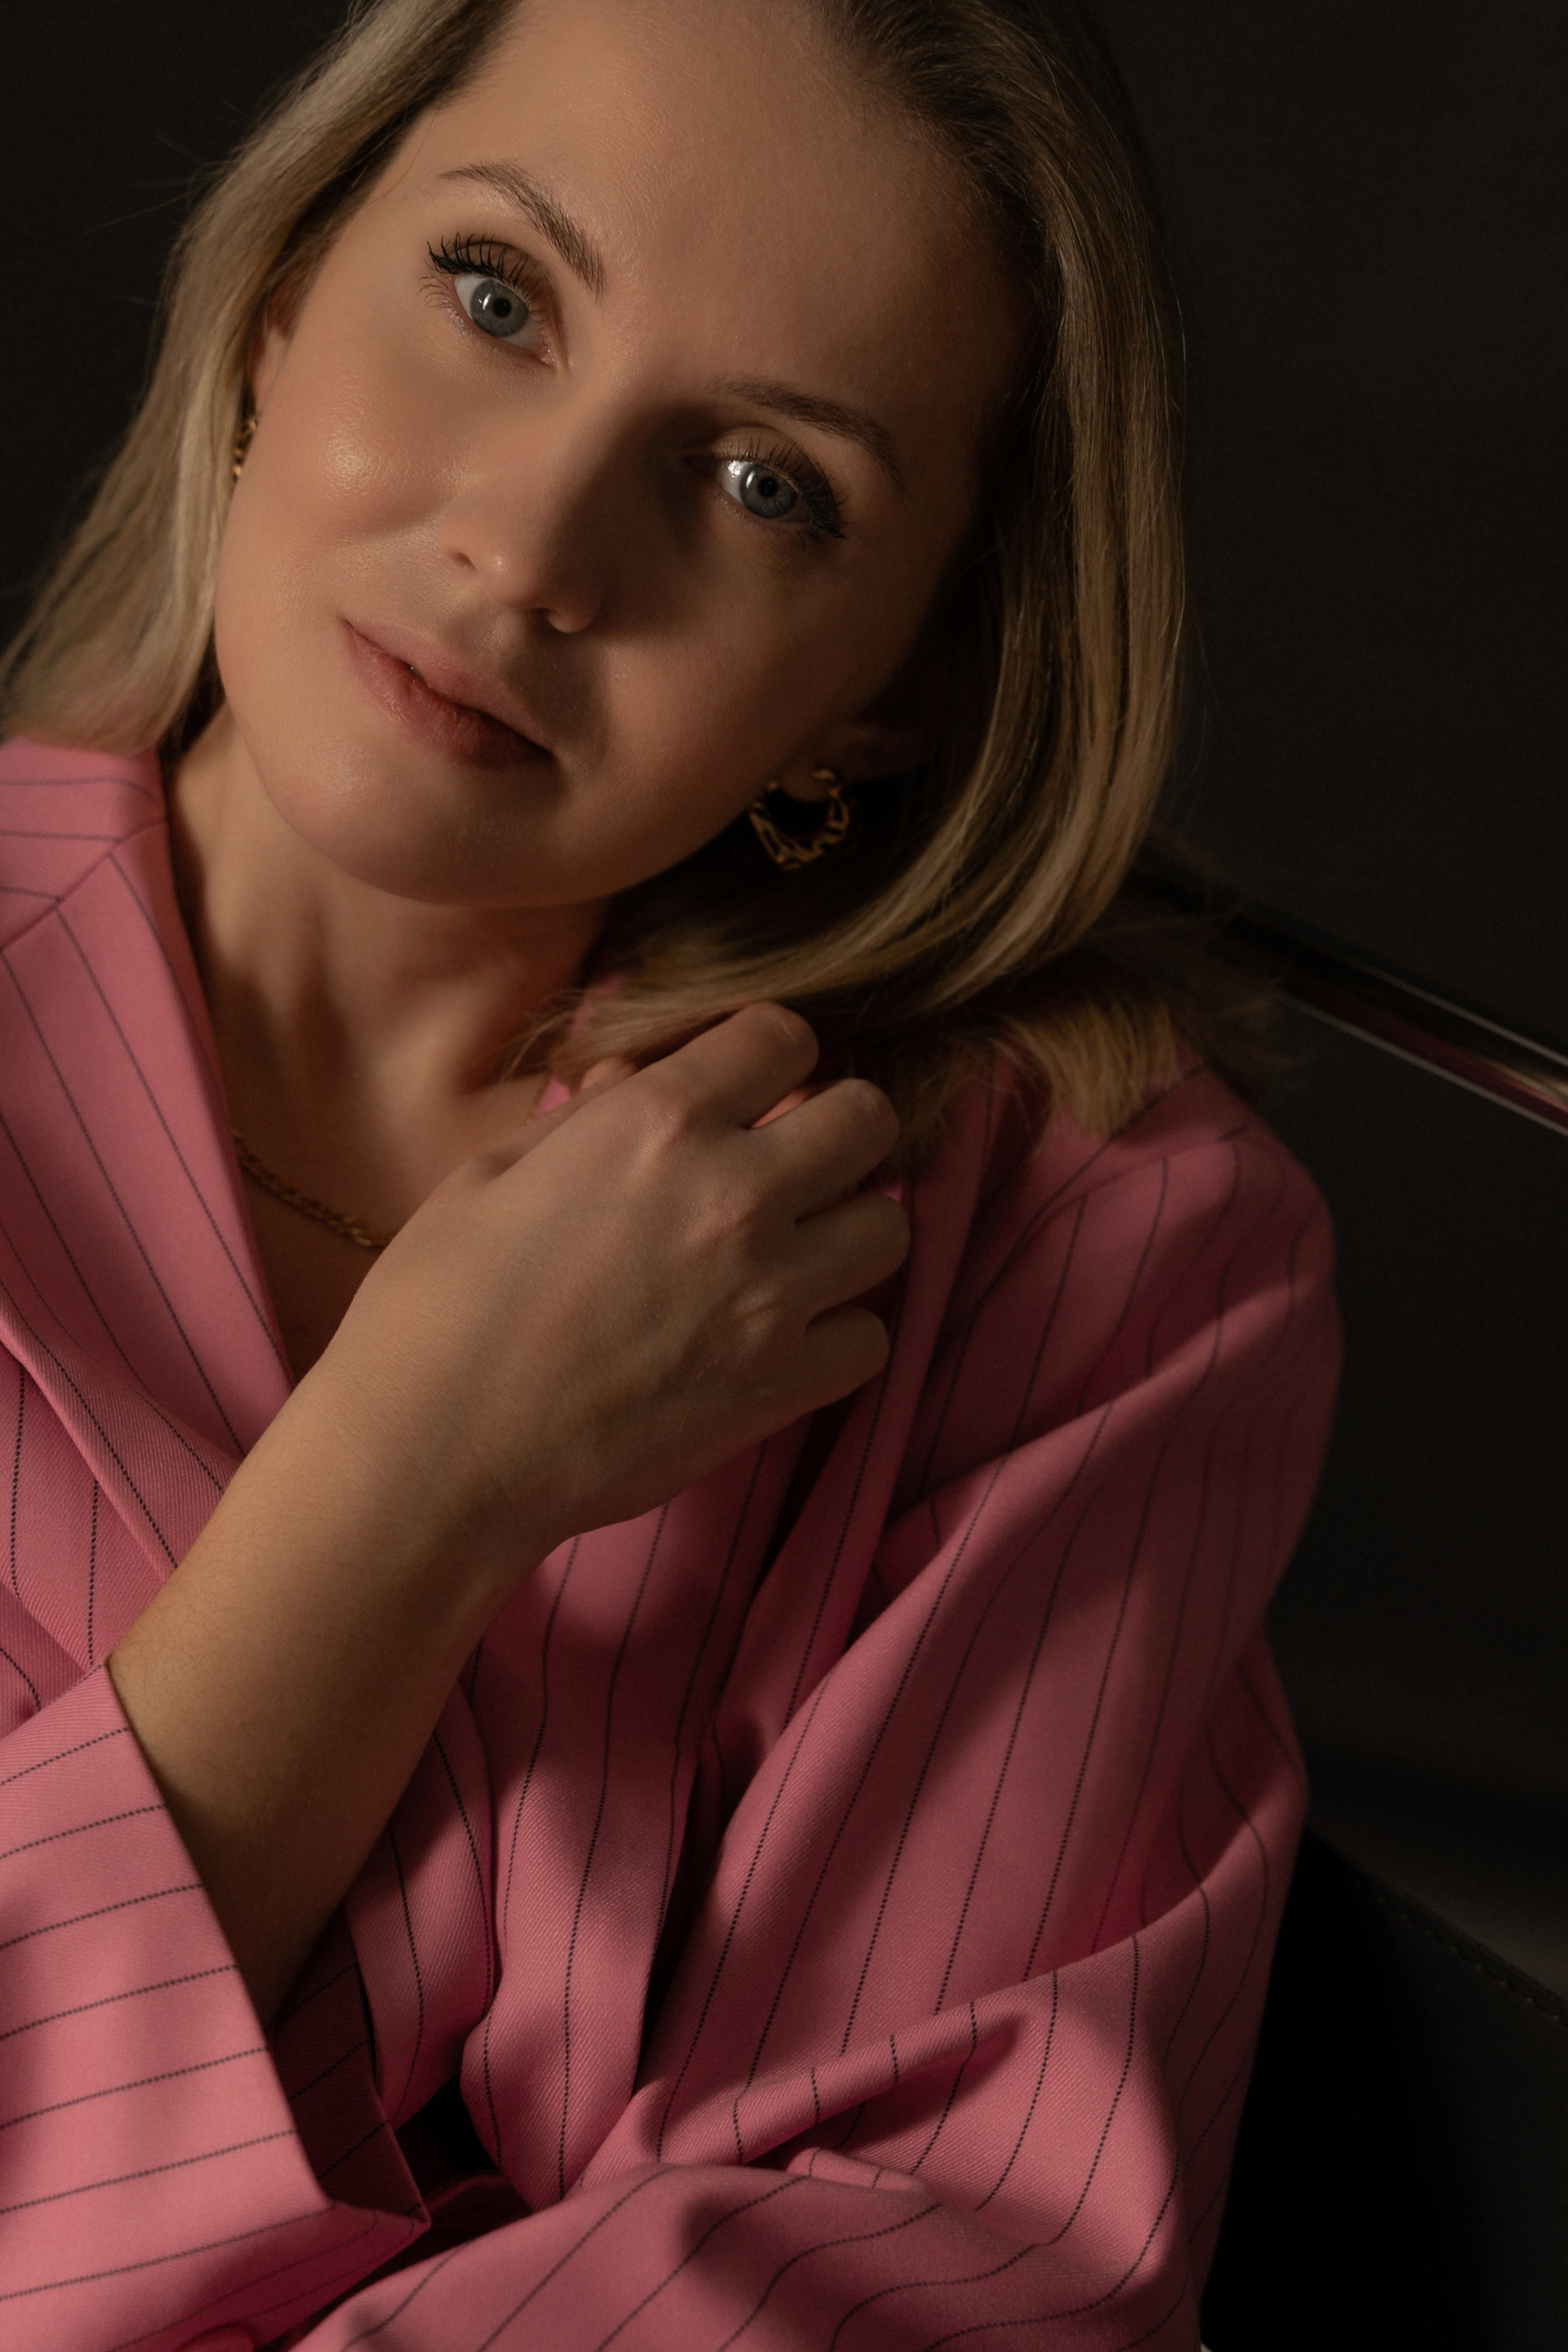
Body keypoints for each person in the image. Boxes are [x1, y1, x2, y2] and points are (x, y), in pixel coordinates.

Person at [0, 0, 1338, 2343]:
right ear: (285, 291)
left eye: (761, 482)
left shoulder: (1094, 1246)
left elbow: (947, 2248)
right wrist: (411, 1484)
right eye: (495, 293)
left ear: (892, 689)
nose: (529, 549)